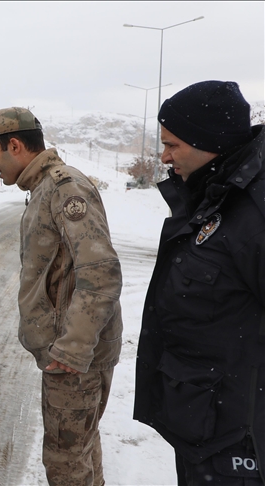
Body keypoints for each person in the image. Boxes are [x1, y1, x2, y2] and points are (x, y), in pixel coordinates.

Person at [0, 107, 123, 486]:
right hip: (73, 358)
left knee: (66, 465)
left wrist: (71, 350)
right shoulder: (45, 189)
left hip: (74, 362)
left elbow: (101, 274)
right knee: (80, 451)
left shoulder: (64, 189)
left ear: (15, 145)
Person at [133, 81, 264, 485]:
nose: (164, 156)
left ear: (210, 142)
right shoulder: (215, 197)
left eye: (172, 145)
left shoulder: (253, 214)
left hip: (240, 443)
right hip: (204, 427)